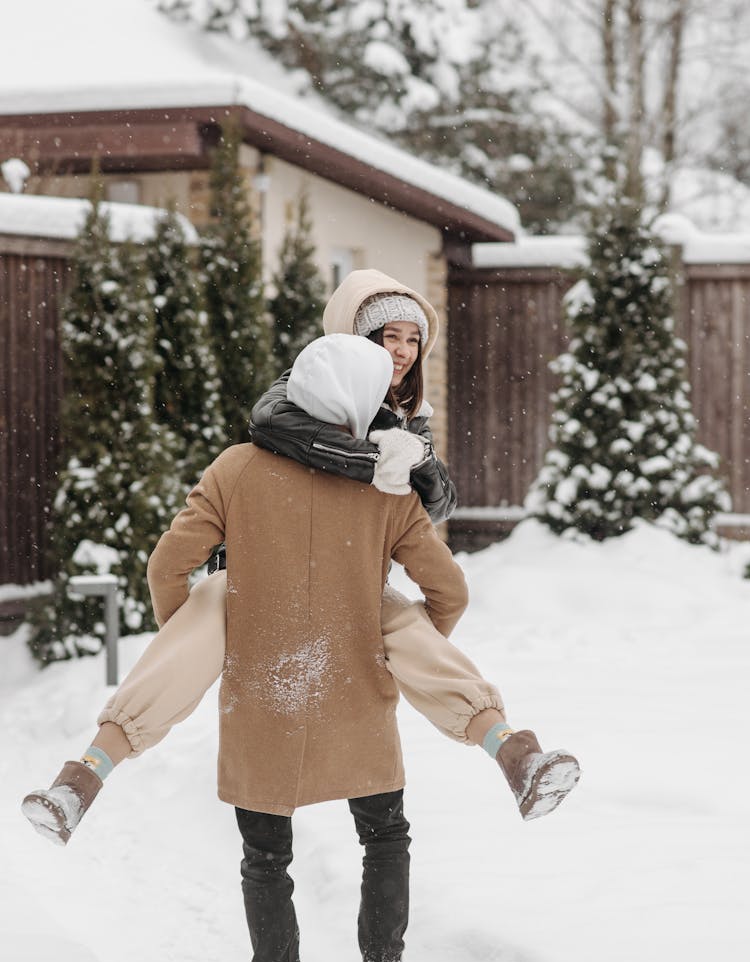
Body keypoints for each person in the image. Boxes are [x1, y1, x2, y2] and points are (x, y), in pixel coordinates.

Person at [22, 270, 579, 849]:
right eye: (388, 336)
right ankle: (510, 748)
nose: (402, 352)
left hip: (326, 588)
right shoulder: (304, 403)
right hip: (274, 580)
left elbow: (434, 506)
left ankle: (83, 776)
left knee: (270, 618)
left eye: (413, 340)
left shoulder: (401, 427)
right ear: (351, 341)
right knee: (361, 627)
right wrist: (373, 461)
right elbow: (294, 436)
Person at [164, 333, 468, 962]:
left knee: (265, 858)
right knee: (385, 834)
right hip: (355, 683)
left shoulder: (235, 469)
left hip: (263, 690)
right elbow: (448, 589)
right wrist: (402, 642)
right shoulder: (384, 487)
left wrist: (192, 639)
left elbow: (170, 562)